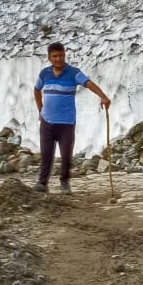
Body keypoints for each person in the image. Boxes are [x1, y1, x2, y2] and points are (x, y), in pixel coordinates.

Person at [33, 42, 110, 194]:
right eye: (54, 56)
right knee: (46, 154)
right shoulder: (44, 74)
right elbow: (36, 90)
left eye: (61, 55)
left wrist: (103, 97)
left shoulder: (73, 72)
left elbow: (88, 84)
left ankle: (65, 182)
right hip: (47, 122)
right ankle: (42, 183)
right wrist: (40, 109)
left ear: (64, 55)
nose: (58, 59)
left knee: (66, 155)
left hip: (66, 123)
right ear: (49, 58)